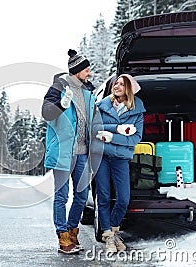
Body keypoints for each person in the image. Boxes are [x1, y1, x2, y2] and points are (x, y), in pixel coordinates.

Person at [41, 49, 96, 254]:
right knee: (62, 197)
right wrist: (62, 105)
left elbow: (94, 120)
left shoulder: (89, 92)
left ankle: (73, 232)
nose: (89, 74)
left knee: (82, 196)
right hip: (64, 153)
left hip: (83, 154)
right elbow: (46, 113)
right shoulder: (58, 88)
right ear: (77, 71)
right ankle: (63, 237)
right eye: (87, 70)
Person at [91, 74, 145, 254]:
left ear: (129, 89)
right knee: (104, 197)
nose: (117, 86)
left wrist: (112, 137)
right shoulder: (102, 106)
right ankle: (108, 235)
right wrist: (118, 130)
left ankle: (113, 231)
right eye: (116, 83)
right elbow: (94, 128)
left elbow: (135, 138)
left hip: (121, 158)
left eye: (122, 84)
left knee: (123, 199)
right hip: (102, 156)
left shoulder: (137, 111)